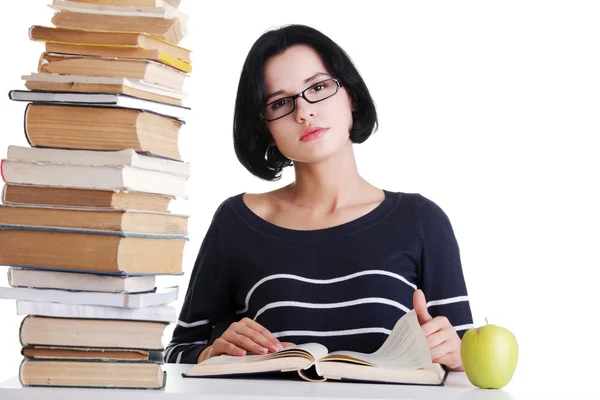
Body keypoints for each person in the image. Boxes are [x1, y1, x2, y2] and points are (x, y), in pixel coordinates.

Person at [165, 24, 473, 371]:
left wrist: (457, 355)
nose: (303, 111)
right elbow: (176, 352)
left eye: (318, 87)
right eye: (280, 102)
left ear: (351, 96)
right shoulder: (237, 221)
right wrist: (211, 353)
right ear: (265, 128)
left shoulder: (421, 221)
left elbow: (468, 360)